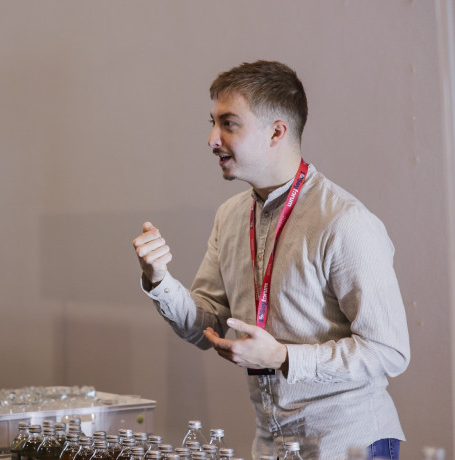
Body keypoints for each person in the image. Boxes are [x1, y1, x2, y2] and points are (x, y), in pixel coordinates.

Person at [132, 61, 410, 460]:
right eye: (213, 123)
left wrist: (284, 357)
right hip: (271, 445)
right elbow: (205, 326)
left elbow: (388, 352)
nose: (212, 139)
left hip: (350, 445)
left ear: (277, 132)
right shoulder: (230, 216)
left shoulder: (345, 221)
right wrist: (159, 280)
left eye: (228, 124)